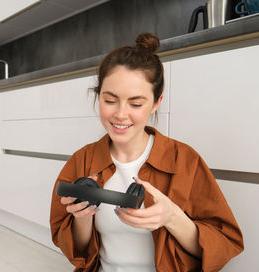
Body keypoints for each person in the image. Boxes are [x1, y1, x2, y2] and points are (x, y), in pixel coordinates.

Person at [49, 33, 244, 272]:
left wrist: (172, 217)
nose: (121, 114)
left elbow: (224, 245)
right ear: (98, 96)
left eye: (136, 104)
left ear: (156, 102)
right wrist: (82, 217)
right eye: (110, 100)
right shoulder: (82, 161)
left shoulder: (185, 160)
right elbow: (76, 251)